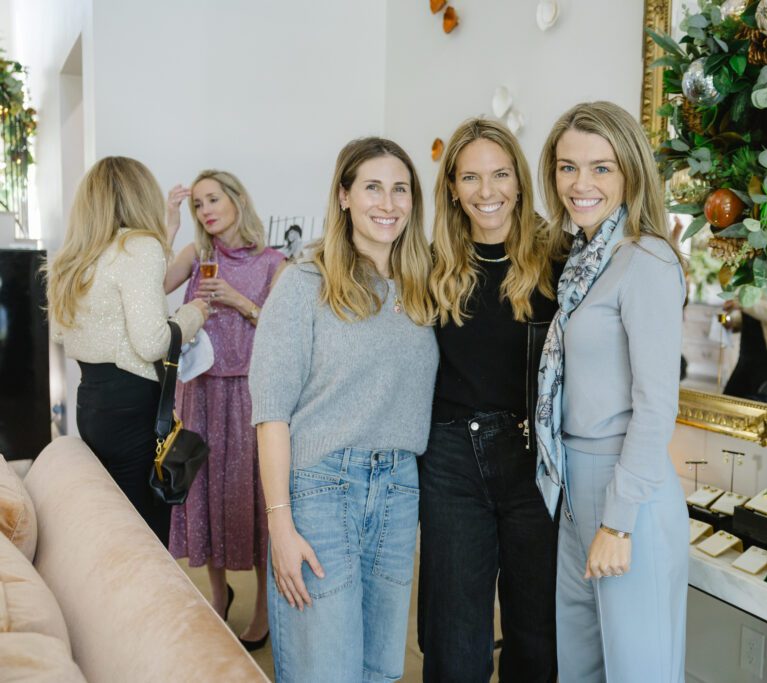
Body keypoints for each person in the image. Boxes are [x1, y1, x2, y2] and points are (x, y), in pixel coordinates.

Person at [249, 137, 438, 682]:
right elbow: (271, 414)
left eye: (400, 189)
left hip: (399, 489)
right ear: (344, 196)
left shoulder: (422, 288)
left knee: (381, 670)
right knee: (325, 669)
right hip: (320, 490)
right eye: (372, 187)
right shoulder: (305, 283)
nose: (388, 203)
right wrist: (280, 525)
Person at [534, 101, 688, 682]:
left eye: (601, 167)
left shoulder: (646, 259)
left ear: (630, 172)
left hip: (627, 492)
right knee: (579, 669)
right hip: (575, 485)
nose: (581, 184)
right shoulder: (584, 258)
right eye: (568, 167)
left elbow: (656, 408)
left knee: (635, 673)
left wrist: (619, 522)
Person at [419, 118, 565, 682]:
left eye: (501, 174)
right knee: (454, 636)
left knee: (537, 632)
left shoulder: (558, 258)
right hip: (451, 459)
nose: (487, 191)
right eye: (471, 177)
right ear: (452, 188)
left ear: (520, 182)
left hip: (534, 458)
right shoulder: (430, 265)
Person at [46, 156, 209, 544]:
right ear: (140, 194)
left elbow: (66, 333)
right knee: (146, 533)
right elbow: (152, 342)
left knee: (114, 523)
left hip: (92, 403)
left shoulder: (77, 256)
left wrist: (168, 230)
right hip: (134, 408)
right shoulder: (139, 247)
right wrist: (193, 314)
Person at [163, 170, 286, 648]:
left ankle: (264, 607)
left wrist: (238, 301)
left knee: (252, 498)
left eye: (212, 199)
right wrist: (169, 224)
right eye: (198, 204)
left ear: (237, 200)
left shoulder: (274, 263)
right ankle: (218, 595)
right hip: (200, 391)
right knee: (205, 495)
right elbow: (151, 286)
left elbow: (284, 333)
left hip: (250, 396)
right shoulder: (198, 255)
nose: (205, 211)